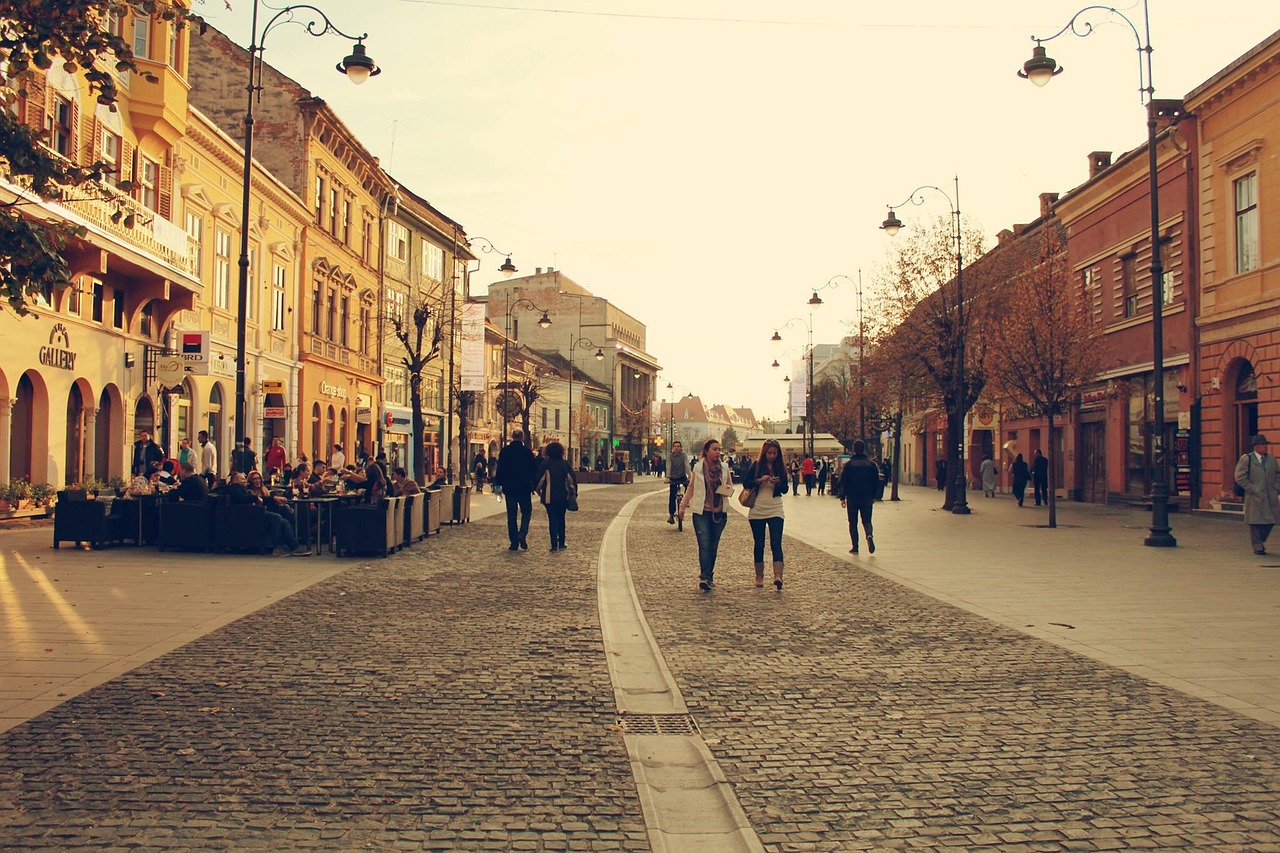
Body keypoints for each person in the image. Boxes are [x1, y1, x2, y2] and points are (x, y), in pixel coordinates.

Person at [677, 438, 733, 592]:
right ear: (706, 451)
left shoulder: (724, 468)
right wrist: (682, 507)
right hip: (701, 512)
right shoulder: (698, 468)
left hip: (719, 513)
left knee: (713, 546)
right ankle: (704, 576)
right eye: (714, 449)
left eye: (719, 449)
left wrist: (724, 488)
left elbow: (730, 491)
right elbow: (691, 488)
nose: (718, 452)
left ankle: (709, 574)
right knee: (704, 544)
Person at [226, 472, 310, 556]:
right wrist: (256, 498)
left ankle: (294, 547)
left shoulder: (243, 489)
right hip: (250, 516)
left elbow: (261, 499)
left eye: (244, 479)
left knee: (284, 521)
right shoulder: (235, 488)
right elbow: (243, 499)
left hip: (254, 513)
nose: (244, 481)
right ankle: (278, 547)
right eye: (242, 479)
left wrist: (273, 499)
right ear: (235, 480)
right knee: (277, 518)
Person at [743, 438, 789, 590]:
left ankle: (778, 576)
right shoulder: (757, 466)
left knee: (776, 543)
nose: (772, 456)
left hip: (775, 508)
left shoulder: (781, 467)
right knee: (759, 543)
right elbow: (746, 483)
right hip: (758, 508)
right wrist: (759, 481)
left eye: (775, 453)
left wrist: (779, 482)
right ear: (764, 452)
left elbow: (785, 489)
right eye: (769, 453)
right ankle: (759, 576)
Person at [1235, 434, 1280, 555]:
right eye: (1262, 444)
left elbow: (1277, 475)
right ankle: (1257, 545)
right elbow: (1240, 477)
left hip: (1270, 495)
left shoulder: (1271, 459)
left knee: (1272, 520)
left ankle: (1260, 540)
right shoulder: (1247, 459)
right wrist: (1251, 488)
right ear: (1255, 447)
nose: (1265, 447)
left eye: (1265, 444)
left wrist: (1276, 487)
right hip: (1254, 496)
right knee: (1255, 521)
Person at [495, 428, 538, 551]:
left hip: (509, 489)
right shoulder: (527, 452)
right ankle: (522, 533)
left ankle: (513, 542)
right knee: (527, 512)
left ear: (512, 437)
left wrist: (498, 490)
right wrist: (533, 485)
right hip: (524, 488)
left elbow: (500, 471)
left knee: (511, 515)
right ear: (522, 438)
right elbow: (534, 470)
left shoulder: (505, 452)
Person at [840, 440, 881, 555]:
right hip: (867, 497)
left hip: (853, 498)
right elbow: (876, 481)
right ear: (863, 449)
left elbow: (844, 481)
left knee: (853, 522)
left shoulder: (849, 465)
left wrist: (842, 497)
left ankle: (855, 546)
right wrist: (874, 495)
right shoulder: (871, 465)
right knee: (867, 520)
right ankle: (869, 534)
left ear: (854, 449)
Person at [536, 440, 576, 552]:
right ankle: (562, 542)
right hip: (563, 496)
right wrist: (573, 493)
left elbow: (540, 480)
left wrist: (538, 491)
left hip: (549, 497)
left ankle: (554, 544)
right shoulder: (565, 464)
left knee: (552, 519)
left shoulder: (546, 464)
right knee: (561, 518)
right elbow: (571, 480)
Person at [665, 440, 690, 525]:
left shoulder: (684, 455)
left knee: (688, 485)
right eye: (675, 446)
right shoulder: (669, 456)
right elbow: (668, 466)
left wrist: (689, 475)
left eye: (678, 446)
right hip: (673, 477)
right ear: (673, 447)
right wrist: (668, 477)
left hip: (682, 475)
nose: (676, 448)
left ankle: (686, 501)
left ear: (681, 447)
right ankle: (671, 515)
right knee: (672, 496)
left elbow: (687, 465)